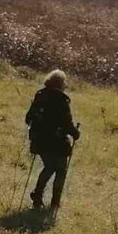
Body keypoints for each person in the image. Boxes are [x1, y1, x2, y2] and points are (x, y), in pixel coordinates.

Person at [25, 70, 81, 209]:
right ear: (62, 83)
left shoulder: (40, 96)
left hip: (39, 140)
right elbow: (66, 123)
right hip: (57, 142)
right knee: (60, 170)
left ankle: (37, 195)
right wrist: (75, 133)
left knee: (49, 167)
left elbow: (28, 119)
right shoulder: (61, 100)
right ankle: (54, 202)